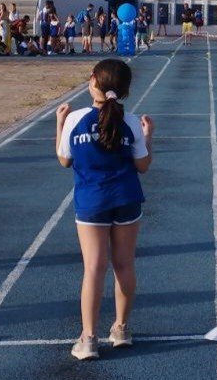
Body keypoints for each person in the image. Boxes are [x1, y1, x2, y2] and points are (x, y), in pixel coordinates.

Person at [56, 59, 154, 361]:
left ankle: (88, 339)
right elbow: (143, 166)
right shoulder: (132, 122)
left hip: (92, 202)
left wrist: (59, 123)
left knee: (94, 269)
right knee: (124, 265)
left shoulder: (75, 119)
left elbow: (64, 160)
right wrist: (148, 136)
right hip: (126, 199)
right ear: (125, 90)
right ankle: (121, 328)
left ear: (93, 81)